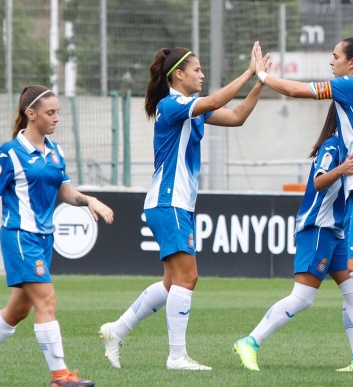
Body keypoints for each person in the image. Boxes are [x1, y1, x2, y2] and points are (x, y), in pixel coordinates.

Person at [99, 44, 269, 370]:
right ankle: (176, 356)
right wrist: (250, 72)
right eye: (197, 70)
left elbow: (237, 116)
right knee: (188, 277)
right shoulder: (172, 104)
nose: (202, 75)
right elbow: (216, 102)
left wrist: (260, 82)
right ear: (178, 74)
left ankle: (115, 331)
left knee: (171, 283)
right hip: (169, 201)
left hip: (175, 203)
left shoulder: (190, 107)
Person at [252, 37, 353, 372]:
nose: (331, 62)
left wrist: (261, 75)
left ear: (352, 63)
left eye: (335, 56)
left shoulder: (352, 85)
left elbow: (295, 90)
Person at [0, 85, 114, 387]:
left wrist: (89, 200)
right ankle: (60, 375)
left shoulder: (55, 150)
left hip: (43, 239)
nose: (56, 118)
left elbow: (65, 191)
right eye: (50, 112)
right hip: (20, 236)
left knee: (19, 309)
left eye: (58, 112)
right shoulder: (10, 152)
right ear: (31, 114)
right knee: (46, 301)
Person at [234, 115, 353, 372]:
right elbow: (319, 182)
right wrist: (342, 169)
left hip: (336, 231)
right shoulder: (333, 145)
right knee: (303, 297)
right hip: (318, 227)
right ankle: (250, 342)